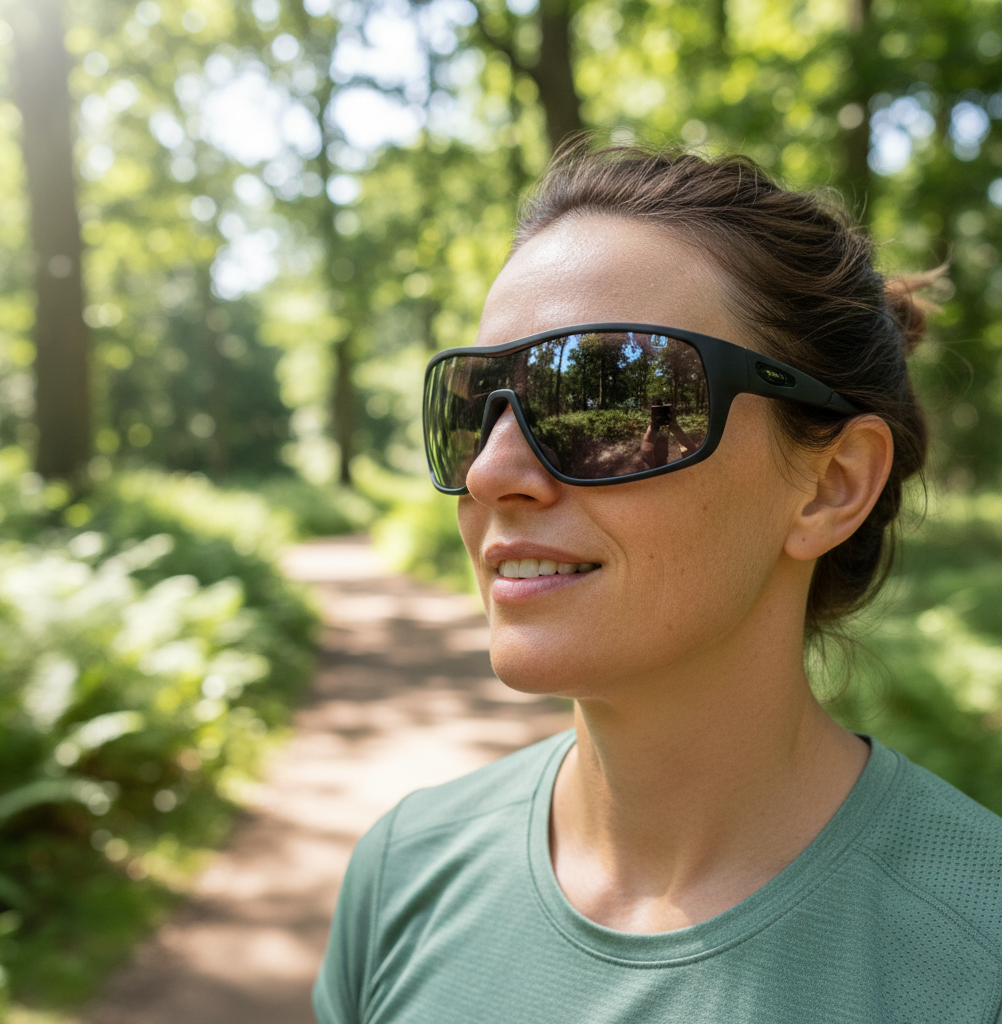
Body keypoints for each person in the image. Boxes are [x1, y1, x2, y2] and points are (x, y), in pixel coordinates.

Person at [313, 144, 1002, 1023]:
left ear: (830, 487)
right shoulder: (402, 874)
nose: (492, 472)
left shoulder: (977, 954)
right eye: (476, 402)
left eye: (612, 398)